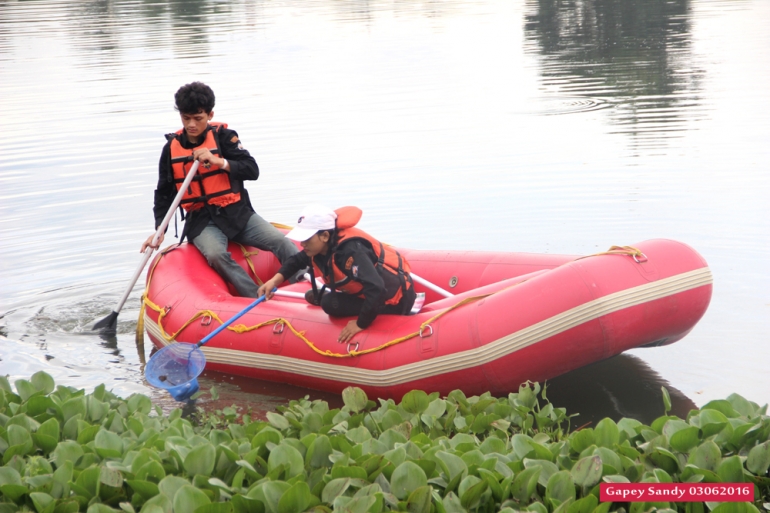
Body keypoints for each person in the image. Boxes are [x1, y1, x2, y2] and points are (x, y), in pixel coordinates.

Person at [141, 82, 299, 298]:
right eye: (186, 118)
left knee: (281, 242)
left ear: (210, 114)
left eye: (198, 118)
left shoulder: (225, 137)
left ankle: (305, 282)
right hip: (201, 220)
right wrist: (160, 230)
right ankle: (256, 298)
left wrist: (218, 161)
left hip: (236, 213)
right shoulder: (171, 149)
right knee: (216, 254)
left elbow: (252, 170)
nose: (191, 124)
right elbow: (164, 193)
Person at [257, 204, 416, 343]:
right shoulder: (320, 247)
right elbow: (296, 261)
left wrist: (361, 323)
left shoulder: (350, 252)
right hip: (367, 293)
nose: (302, 244)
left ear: (325, 236)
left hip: (395, 299)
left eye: (307, 239)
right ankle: (325, 298)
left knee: (329, 304)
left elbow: (377, 288)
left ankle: (330, 300)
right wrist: (273, 282)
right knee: (322, 298)